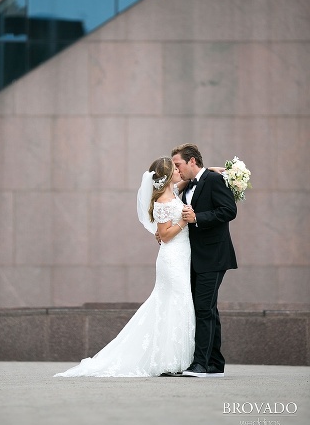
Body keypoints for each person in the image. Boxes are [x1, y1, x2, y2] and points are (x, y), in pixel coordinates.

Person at [54, 157, 195, 377]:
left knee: (176, 302)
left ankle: (173, 358)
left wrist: (211, 170)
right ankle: (167, 361)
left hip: (181, 256)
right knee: (173, 303)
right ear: (168, 176)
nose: (179, 171)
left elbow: (187, 182)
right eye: (175, 169)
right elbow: (165, 236)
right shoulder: (163, 203)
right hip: (172, 258)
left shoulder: (172, 192)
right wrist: (184, 221)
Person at [171, 143, 237, 378]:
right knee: (208, 310)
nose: (175, 170)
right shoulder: (188, 183)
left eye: (178, 165)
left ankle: (199, 364)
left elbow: (229, 210)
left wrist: (198, 217)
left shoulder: (213, 180)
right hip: (194, 258)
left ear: (191, 162)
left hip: (214, 256)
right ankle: (215, 363)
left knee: (203, 309)